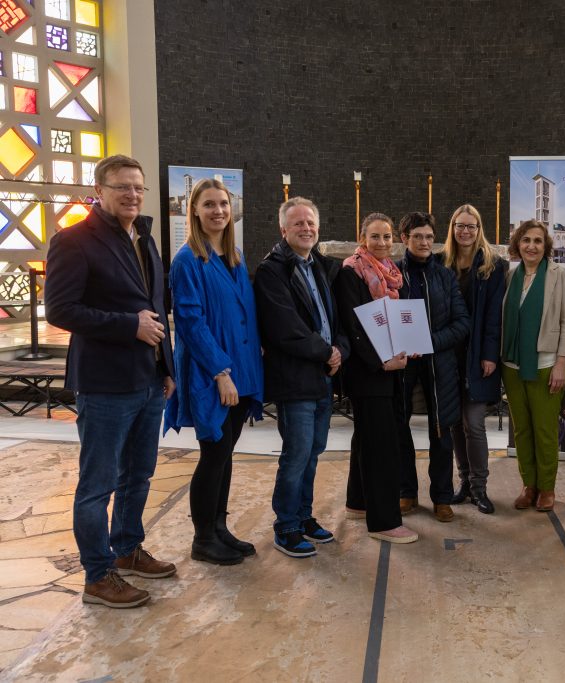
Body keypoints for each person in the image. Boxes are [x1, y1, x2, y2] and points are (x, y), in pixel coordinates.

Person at [45, 154, 177, 608]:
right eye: (122, 187)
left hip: (148, 379)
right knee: (98, 484)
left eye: (138, 187)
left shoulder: (145, 238)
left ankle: (127, 549)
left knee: (138, 474)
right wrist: (128, 326)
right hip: (105, 383)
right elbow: (60, 310)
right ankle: (98, 576)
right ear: (99, 191)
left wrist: (166, 368)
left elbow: (156, 308)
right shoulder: (74, 241)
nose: (132, 195)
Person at [164, 178, 263, 566]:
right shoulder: (187, 260)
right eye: (208, 204)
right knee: (213, 453)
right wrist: (221, 373)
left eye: (223, 203)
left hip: (241, 369)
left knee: (225, 454)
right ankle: (203, 539)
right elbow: (190, 322)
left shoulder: (235, 255)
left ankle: (220, 528)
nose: (218, 210)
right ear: (194, 210)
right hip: (212, 372)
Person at [254, 197, 348, 558]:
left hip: (323, 376)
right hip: (295, 378)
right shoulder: (272, 271)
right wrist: (327, 352)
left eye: (310, 223)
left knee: (313, 453)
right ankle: (286, 526)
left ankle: (304, 516)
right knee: (296, 455)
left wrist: (339, 349)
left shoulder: (321, 267)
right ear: (283, 230)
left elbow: (337, 319)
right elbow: (285, 328)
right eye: (298, 223)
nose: (306, 228)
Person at [336, 213, 419, 543]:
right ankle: (384, 522)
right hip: (368, 371)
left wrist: (409, 343)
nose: (382, 242)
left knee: (366, 439)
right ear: (362, 238)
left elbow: (394, 320)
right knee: (382, 446)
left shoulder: (391, 273)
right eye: (375, 236)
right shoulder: (351, 272)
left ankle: (357, 503)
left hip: (390, 370)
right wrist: (382, 362)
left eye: (387, 236)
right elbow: (352, 326)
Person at [396, 212, 471, 522]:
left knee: (441, 430)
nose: (424, 242)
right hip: (402, 362)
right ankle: (406, 491)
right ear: (404, 238)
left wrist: (430, 341)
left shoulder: (444, 276)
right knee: (399, 427)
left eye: (429, 237)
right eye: (418, 236)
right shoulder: (392, 273)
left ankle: (442, 496)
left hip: (439, 361)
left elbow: (462, 322)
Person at [501, 220, 565, 512]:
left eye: (537, 241)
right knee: (521, 430)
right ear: (517, 244)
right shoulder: (511, 276)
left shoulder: (560, 275)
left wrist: (562, 362)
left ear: (546, 247)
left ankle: (546, 487)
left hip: (546, 364)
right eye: (526, 240)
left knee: (544, 430)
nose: (531, 246)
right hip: (512, 364)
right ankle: (528, 485)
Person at [441, 204, 508, 514]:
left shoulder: (493, 266)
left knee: (475, 424)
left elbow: (495, 316)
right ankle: (465, 483)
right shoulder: (441, 262)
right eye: (460, 225)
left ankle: (480, 487)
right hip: (448, 354)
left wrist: (490, 355)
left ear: (479, 229)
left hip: (479, 355)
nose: (465, 231)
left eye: (471, 226)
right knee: (456, 422)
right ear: (452, 229)